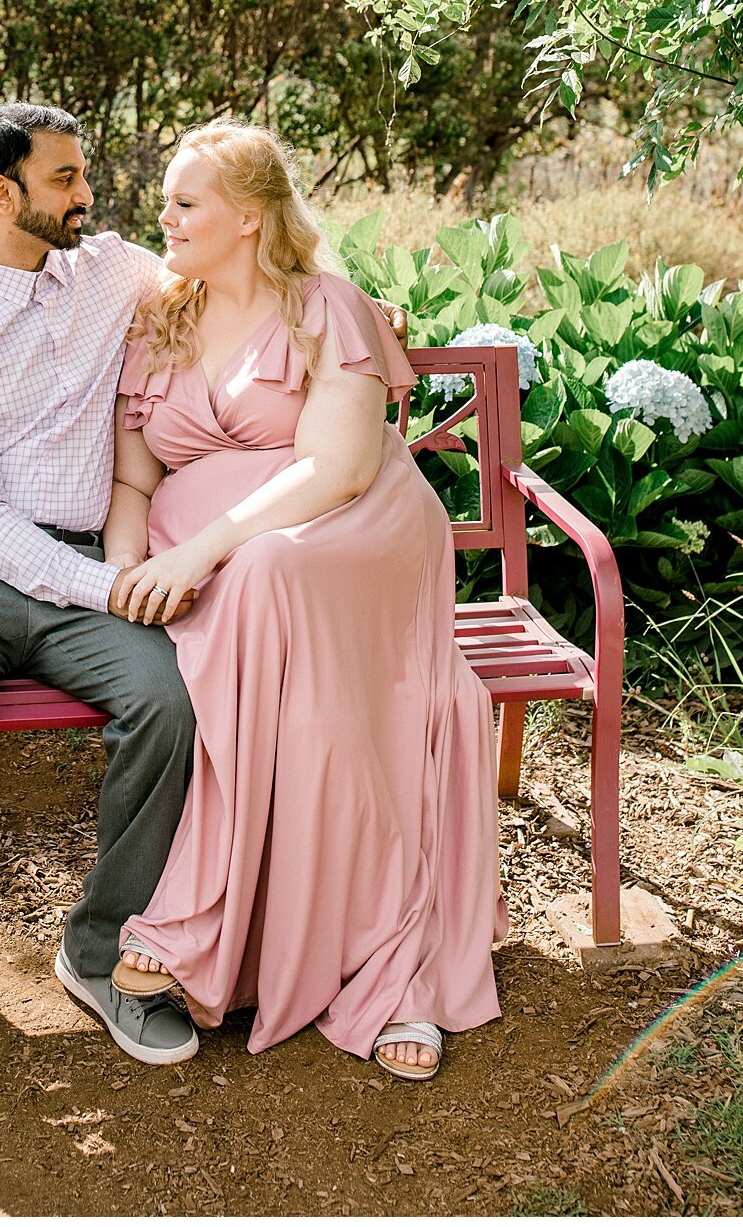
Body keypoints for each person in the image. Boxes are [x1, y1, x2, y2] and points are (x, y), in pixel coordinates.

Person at [0, 103, 407, 1112]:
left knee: (172, 703)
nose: (87, 194)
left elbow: (254, 261)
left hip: (92, 560)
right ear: (3, 195)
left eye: (83, 174)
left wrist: (362, 309)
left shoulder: (117, 272)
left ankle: (100, 948)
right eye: (64, 179)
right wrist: (120, 585)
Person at [105, 119, 506, 1080]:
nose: (164, 217)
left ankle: (249, 928)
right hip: (215, 564)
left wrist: (200, 550)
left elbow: (337, 467)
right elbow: (129, 484)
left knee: (272, 575)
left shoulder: (326, 304)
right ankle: (252, 933)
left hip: (347, 534)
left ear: (248, 217)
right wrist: (121, 572)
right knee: (275, 624)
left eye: (184, 201)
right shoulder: (155, 320)